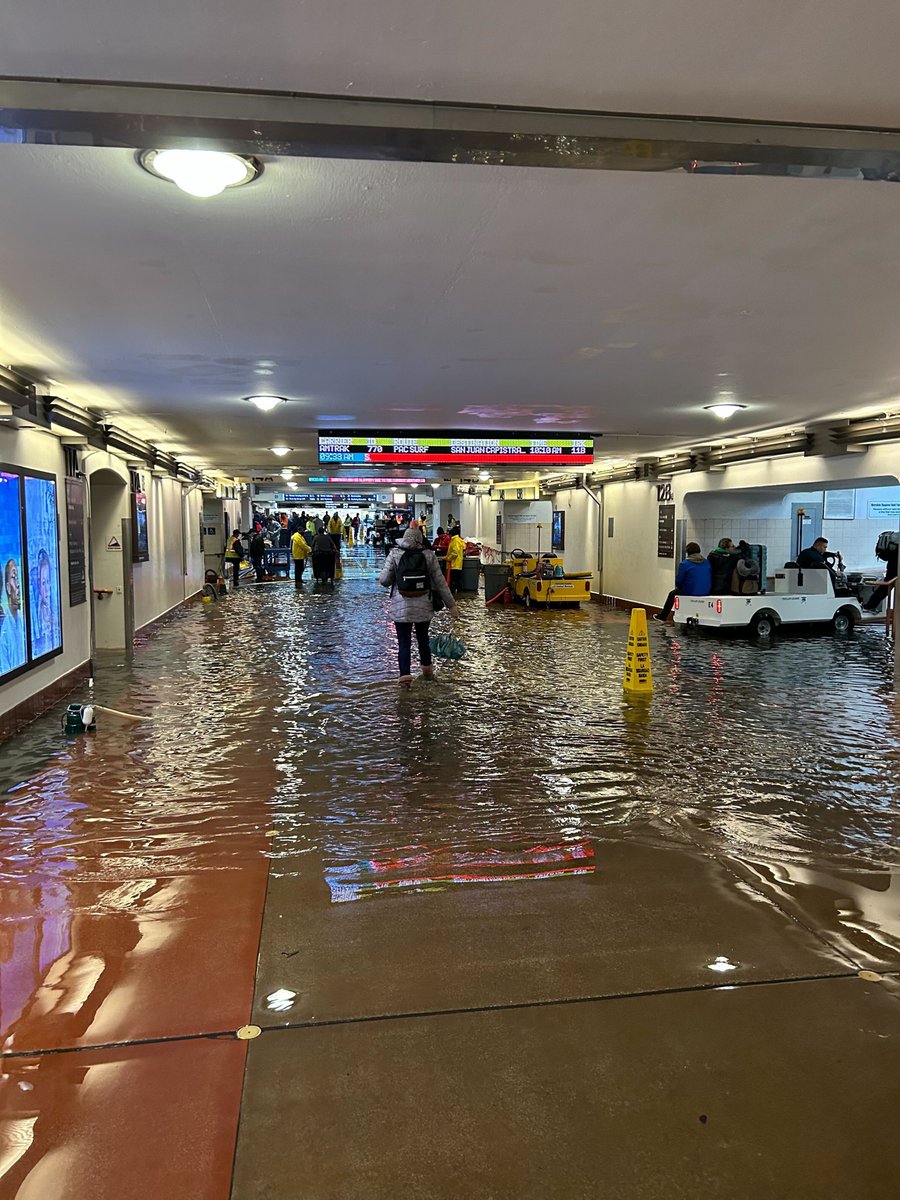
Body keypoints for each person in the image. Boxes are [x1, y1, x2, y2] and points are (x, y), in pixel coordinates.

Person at [379, 523, 460, 685]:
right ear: (420, 539)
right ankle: (428, 673)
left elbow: (384, 581)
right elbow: (440, 583)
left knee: (404, 641)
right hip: (424, 605)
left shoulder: (394, 553)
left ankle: (405, 678)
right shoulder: (429, 555)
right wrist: (451, 606)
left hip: (401, 607)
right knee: (423, 638)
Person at [653, 543, 712, 622]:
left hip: (690, 591)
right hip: (706, 591)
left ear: (687, 552)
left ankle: (663, 616)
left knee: (672, 594)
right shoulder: (707, 562)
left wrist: (681, 587)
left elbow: (679, 581)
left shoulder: (685, 564)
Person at [0, 558, 27, 674]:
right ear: (7, 587)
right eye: (14, 578)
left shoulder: (23, 620)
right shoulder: (4, 631)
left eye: (18, 578)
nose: (18, 584)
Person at [863, 534, 899, 612]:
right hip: (895, 568)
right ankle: (870, 605)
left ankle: (870, 605)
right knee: (885, 588)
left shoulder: (896, 542)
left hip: (892, 566)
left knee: (884, 588)